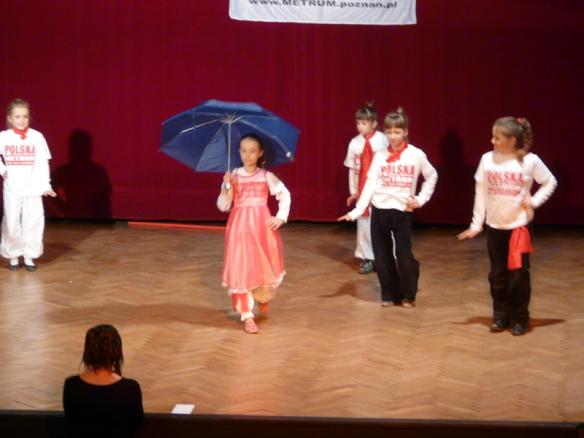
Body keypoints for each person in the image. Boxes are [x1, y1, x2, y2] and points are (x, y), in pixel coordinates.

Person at [457, 117, 557, 336]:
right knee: (497, 275)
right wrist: (476, 224)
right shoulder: (487, 159)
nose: (492, 140)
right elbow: (481, 194)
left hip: (519, 227)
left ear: (512, 140)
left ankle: (520, 318)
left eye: (497, 137)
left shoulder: (529, 161)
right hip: (495, 227)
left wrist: (534, 201)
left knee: (518, 275)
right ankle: (500, 316)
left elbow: (550, 181)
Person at [338, 108, 438, 308]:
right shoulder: (380, 156)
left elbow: (432, 176)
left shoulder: (415, 154)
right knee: (382, 256)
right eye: (389, 132)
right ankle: (389, 294)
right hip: (380, 210)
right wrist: (356, 211)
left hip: (402, 211)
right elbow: (370, 184)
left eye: (397, 132)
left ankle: (408, 294)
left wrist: (420, 200)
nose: (393, 136)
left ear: (405, 132)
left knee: (403, 255)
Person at [217, 133, 291, 334]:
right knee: (242, 267)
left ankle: (262, 296)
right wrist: (226, 186)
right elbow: (223, 206)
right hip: (239, 228)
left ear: (260, 153)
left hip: (261, 229)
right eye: (243, 151)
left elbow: (285, 194)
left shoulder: (265, 175)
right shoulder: (233, 176)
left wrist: (281, 217)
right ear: (239, 152)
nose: (247, 155)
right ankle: (247, 314)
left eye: (252, 151)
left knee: (261, 265)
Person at [0, 98, 56, 271]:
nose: (21, 120)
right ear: (10, 118)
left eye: (25, 116)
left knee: (33, 221)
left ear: (29, 118)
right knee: (11, 222)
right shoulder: (4, 137)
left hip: (33, 188)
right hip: (13, 188)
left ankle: (29, 256)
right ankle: (13, 256)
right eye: (17, 116)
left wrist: (46, 185)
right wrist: (3, 170)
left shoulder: (36, 137)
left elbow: (42, 162)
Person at [63, 324, 144, 437]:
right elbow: (135, 424)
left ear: (87, 351)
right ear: (117, 351)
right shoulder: (130, 388)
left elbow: (71, 420)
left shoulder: (71, 385)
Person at [344, 102, 388, 274]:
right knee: (364, 225)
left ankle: (383, 257)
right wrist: (353, 191)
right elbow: (351, 168)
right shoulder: (355, 143)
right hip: (362, 189)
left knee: (381, 223)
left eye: (364, 123)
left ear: (374, 124)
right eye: (358, 123)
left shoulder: (382, 140)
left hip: (380, 188)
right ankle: (367, 257)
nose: (360, 126)